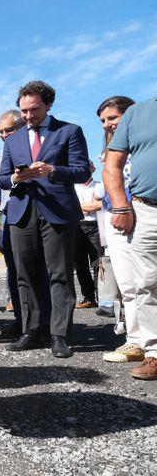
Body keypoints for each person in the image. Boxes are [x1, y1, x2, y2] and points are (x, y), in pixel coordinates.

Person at [0, 80, 90, 358]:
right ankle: (31, 330)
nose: (27, 116)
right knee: (24, 274)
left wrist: (51, 170)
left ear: (48, 104)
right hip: (21, 211)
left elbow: (82, 171)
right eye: (23, 110)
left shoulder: (69, 131)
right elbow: (2, 178)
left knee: (59, 274)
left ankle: (59, 334)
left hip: (58, 211)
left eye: (33, 109)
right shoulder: (13, 140)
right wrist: (16, 177)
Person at [104, 95, 157, 379]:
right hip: (147, 209)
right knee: (148, 283)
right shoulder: (138, 114)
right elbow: (112, 164)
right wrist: (121, 205)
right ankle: (154, 352)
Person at [95, 96, 143, 363]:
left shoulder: (144, 146)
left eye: (112, 118)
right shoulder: (108, 153)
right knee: (127, 284)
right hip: (115, 220)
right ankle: (136, 340)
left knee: (148, 281)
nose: (106, 124)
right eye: (103, 120)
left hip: (142, 215)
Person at [0, 110, 25, 339]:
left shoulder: (33, 150)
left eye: (8, 130)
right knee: (14, 271)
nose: (4, 135)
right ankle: (21, 318)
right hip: (7, 217)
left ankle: (48, 321)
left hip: (33, 215)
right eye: (0, 131)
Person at [73, 160, 102, 310]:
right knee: (80, 265)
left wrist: (79, 207)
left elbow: (101, 205)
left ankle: (103, 298)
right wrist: (89, 207)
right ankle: (89, 297)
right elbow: (70, 206)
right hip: (77, 227)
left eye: (87, 167)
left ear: (93, 168)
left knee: (98, 263)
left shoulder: (100, 185)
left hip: (96, 226)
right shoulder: (72, 187)